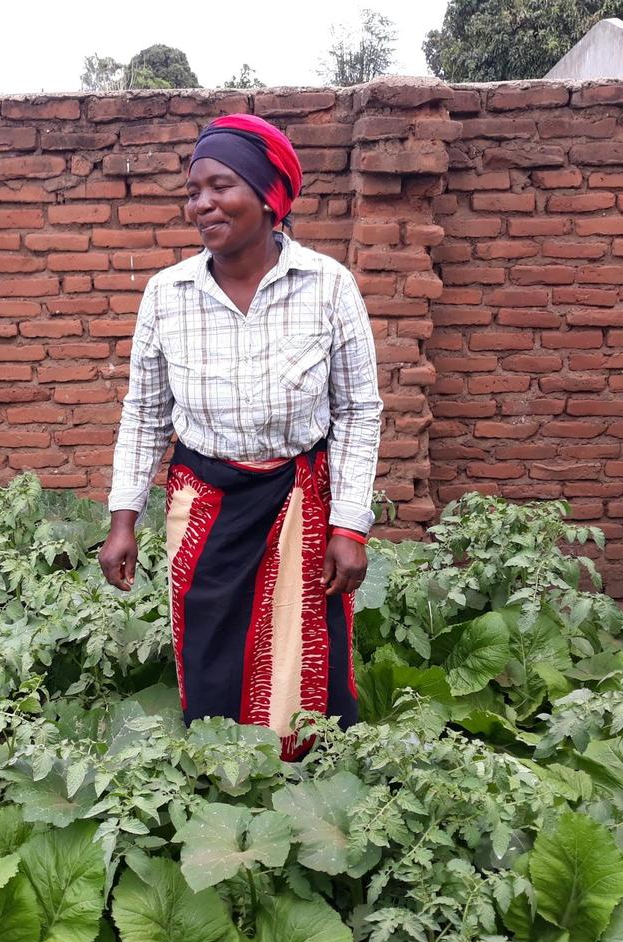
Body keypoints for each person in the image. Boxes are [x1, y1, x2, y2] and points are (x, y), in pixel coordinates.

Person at [98, 113, 383, 758]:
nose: (202, 204)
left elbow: (359, 410)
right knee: (210, 647)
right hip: (207, 503)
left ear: (267, 195)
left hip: (299, 500)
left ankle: (309, 780)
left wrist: (349, 527)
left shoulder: (329, 286)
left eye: (220, 186)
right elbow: (143, 412)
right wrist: (123, 518)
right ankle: (223, 776)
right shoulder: (167, 294)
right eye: (194, 190)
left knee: (305, 648)